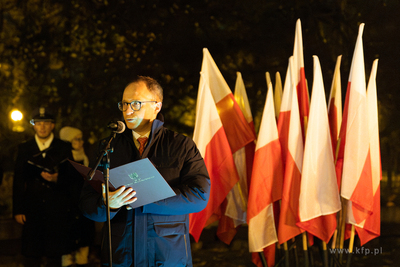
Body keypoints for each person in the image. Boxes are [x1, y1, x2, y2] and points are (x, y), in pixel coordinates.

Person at [79, 75, 211, 267]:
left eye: (136, 104)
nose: (128, 111)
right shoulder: (108, 146)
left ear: (157, 105)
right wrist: (108, 204)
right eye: (124, 104)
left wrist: (149, 199)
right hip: (120, 256)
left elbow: (200, 195)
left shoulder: (181, 145)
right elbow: (86, 202)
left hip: (166, 255)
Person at [13, 107, 84, 267]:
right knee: (32, 254)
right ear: (34, 126)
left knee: (55, 253)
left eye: (46, 123)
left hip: (56, 207)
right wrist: (18, 210)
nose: (42, 126)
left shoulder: (63, 147)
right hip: (33, 207)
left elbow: (72, 177)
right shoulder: (25, 148)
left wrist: (57, 178)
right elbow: (18, 180)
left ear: (52, 125)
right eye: (38, 123)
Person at [59, 126, 94, 267]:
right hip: (69, 203)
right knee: (68, 238)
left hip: (84, 202)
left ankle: (83, 260)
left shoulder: (87, 155)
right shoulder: (63, 158)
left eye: (80, 139)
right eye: (75, 139)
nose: (80, 142)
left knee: (85, 235)